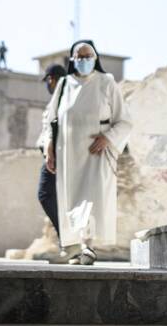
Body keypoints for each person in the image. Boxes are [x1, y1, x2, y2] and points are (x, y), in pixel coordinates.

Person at [43, 40, 132, 265]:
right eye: (79, 56)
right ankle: (76, 249)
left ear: (96, 57)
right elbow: (49, 118)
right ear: (73, 60)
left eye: (88, 55)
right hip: (68, 153)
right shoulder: (64, 84)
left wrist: (108, 138)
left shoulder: (106, 82)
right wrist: (49, 147)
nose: (84, 60)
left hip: (96, 153)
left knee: (91, 199)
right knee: (71, 201)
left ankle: (88, 245)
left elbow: (125, 121)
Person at [36, 62, 66, 245]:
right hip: (53, 156)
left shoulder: (63, 99)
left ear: (52, 80)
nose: (48, 84)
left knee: (45, 195)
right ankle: (68, 241)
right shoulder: (58, 99)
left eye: (48, 80)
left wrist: (51, 151)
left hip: (56, 157)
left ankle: (68, 240)